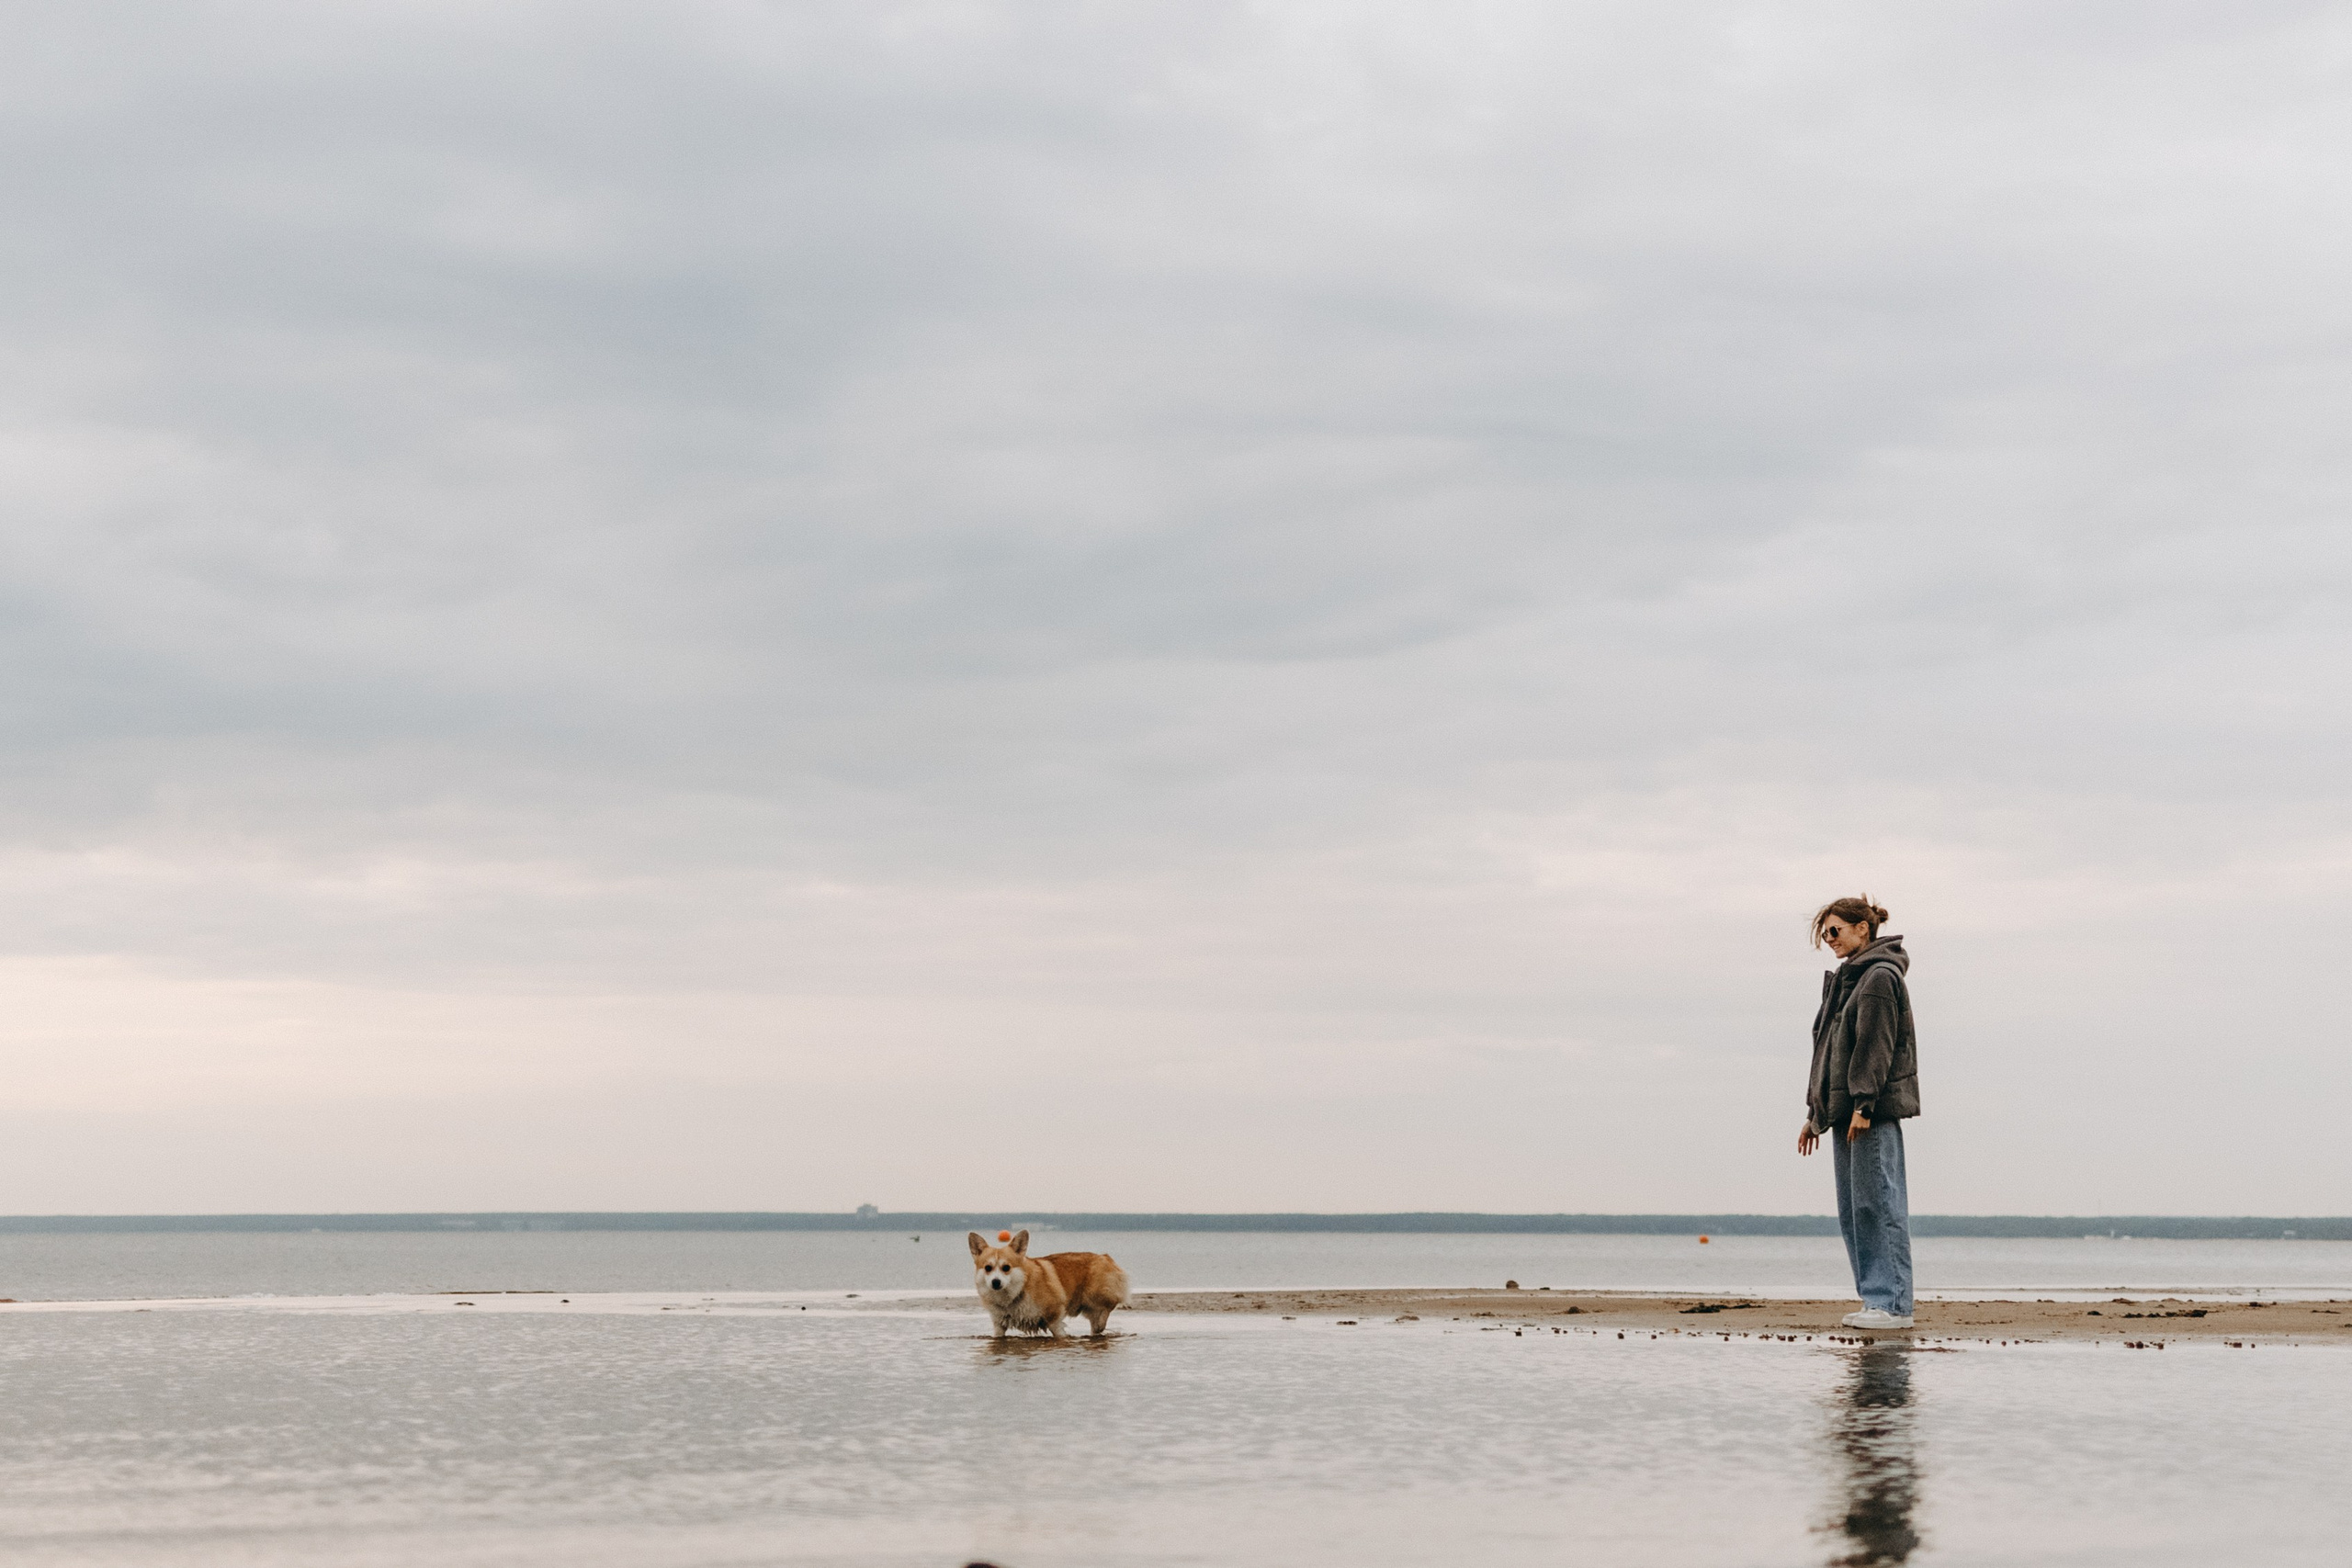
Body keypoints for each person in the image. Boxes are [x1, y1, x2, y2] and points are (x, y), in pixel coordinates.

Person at [1799, 897, 1919, 1330]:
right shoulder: (1848, 980)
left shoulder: (1878, 978)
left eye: (1835, 930)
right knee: (1855, 1210)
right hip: (1846, 1112)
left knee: (1879, 1205)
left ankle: (1893, 1305)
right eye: (1824, 933)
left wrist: (1865, 1105)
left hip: (1867, 1113)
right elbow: (1829, 1053)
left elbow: (1876, 1047)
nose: (1829, 939)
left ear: (1862, 929)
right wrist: (1816, 1114)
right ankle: (1875, 1300)